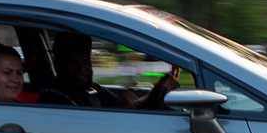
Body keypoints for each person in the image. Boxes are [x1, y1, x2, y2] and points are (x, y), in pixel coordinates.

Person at [39, 31, 179, 109]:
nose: (82, 68)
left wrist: (157, 90)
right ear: (58, 64)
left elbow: (136, 107)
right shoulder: (53, 98)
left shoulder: (93, 90)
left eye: (85, 61)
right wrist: (120, 110)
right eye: (73, 62)